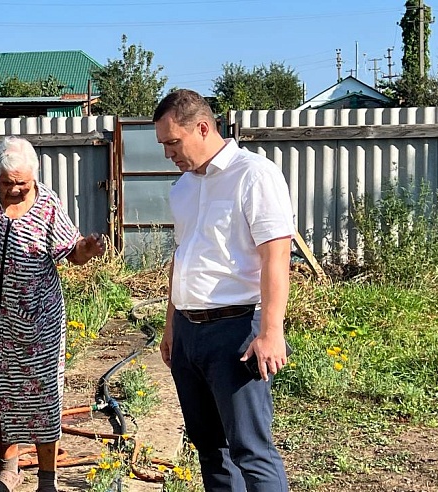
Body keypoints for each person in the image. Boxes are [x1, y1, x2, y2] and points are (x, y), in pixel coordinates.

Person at [0, 136, 106, 492]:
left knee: (43, 396)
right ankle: (8, 469)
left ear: (34, 178)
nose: (13, 190)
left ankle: (47, 479)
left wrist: (87, 248)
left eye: (21, 184)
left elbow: (72, 253)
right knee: (1, 390)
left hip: (38, 322)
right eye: (7, 183)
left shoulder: (48, 205)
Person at [153, 89, 293, 492]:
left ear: (202, 127)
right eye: (163, 145)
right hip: (189, 332)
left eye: (173, 142)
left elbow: (276, 255)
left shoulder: (253, 174)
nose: (168, 154)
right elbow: (182, 258)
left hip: (235, 332)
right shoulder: (183, 187)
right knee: (209, 449)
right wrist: (171, 327)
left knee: (251, 450)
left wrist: (271, 331)